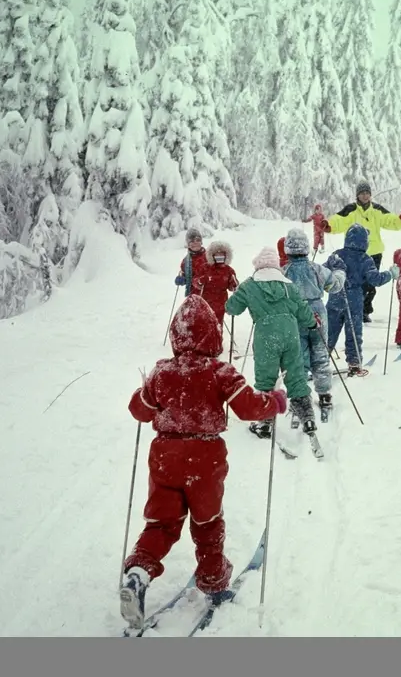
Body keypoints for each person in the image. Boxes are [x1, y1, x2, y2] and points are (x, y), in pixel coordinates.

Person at [120, 295, 287, 628]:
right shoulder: (219, 371)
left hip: (165, 456)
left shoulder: (161, 371)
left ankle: (138, 572)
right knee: (207, 522)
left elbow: (138, 410)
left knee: (162, 523)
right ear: (213, 334)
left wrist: (145, 390)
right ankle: (213, 582)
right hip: (204, 459)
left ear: (175, 335)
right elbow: (249, 407)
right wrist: (277, 401)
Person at [226, 247, 319, 440]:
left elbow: (232, 308)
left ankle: (265, 422)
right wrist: (312, 324)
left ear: (258, 266)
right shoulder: (288, 285)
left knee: (266, 378)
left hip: (266, 334)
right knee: (295, 374)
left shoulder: (250, 285)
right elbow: (303, 310)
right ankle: (307, 417)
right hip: (290, 332)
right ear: (277, 266)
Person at [322, 180, 401, 322]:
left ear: (370, 195)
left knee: (370, 284)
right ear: (357, 195)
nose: (365, 196)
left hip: (374, 253)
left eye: (367, 193)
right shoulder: (350, 210)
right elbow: (338, 220)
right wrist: (329, 225)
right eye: (362, 193)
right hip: (354, 253)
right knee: (353, 283)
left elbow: (390, 220)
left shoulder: (377, 210)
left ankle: (364, 310)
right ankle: (350, 309)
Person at [281, 228, 346, 422]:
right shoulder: (317, 269)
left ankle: (301, 394)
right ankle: (324, 394)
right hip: (318, 313)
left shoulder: (284, 272)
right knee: (320, 353)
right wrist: (340, 272)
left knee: (299, 356)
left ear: (288, 251)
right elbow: (335, 286)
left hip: (295, 315)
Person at [323, 225, 398, 377]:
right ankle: (354, 363)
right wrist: (390, 274)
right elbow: (375, 280)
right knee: (354, 333)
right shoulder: (365, 260)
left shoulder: (337, 255)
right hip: (355, 301)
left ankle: (320, 360)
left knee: (329, 331)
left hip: (335, 298)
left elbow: (324, 272)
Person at [200, 241, 240, 348]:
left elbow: (232, 287)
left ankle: (216, 345)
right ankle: (203, 345)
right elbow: (196, 282)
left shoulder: (229, 270)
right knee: (204, 324)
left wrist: (234, 284)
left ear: (227, 255)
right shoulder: (206, 268)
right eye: (216, 254)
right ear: (211, 255)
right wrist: (200, 281)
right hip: (205, 302)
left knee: (218, 324)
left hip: (220, 302)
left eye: (222, 254)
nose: (219, 256)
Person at [174, 229, 209, 297]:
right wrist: (182, 279)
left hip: (209, 293)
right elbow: (185, 276)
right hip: (193, 295)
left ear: (201, 242)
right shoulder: (185, 262)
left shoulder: (209, 256)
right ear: (188, 244)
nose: (195, 243)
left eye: (197, 240)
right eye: (192, 241)